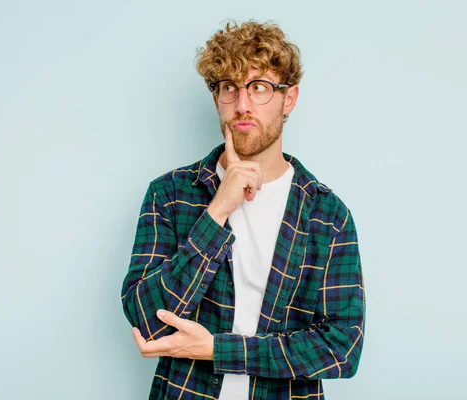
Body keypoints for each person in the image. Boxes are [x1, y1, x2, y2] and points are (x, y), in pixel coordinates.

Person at [120, 20, 366, 400]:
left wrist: (219, 350)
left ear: (290, 98)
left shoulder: (328, 216)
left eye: (259, 87)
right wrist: (218, 210)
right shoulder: (170, 194)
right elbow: (145, 318)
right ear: (216, 98)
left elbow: (342, 348)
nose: (243, 105)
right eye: (229, 89)